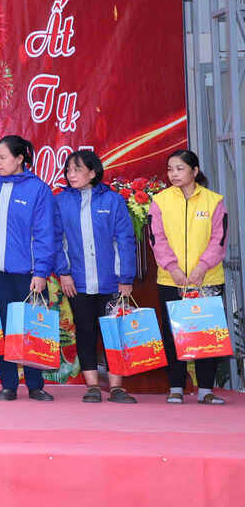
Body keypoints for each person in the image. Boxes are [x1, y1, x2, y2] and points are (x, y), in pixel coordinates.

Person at [53, 149, 137, 404]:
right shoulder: (61, 201)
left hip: (110, 280)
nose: (71, 174)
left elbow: (124, 240)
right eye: (68, 170)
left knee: (113, 331)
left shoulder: (112, 201)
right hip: (76, 281)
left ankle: (116, 387)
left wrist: (126, 278)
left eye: (77, 169)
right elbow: (58, 240)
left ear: (92, 172)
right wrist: (64, 273)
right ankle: (91, 385)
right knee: (85, 330)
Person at [149, 149, 229, 405]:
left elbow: (220, 238)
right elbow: (156, 239)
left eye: (180, 168)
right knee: (174, 334)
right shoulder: (160, 201)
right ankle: (176, 387)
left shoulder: (213, 201)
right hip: (172, 280)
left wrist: (202, 267)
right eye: (170, 169)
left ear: (195, 171)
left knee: (206, 333)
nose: (173, 174)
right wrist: (173, 268)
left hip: (207, 279)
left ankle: (206, 390)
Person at [0, 135, 56, 402]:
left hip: (28, 274)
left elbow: (47, 233)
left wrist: (41, 272)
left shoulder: (39, 190)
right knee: (1, 328)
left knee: (30, 328)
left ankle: (36, 385)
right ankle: (8, 384)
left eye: (2, 157)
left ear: (20, 158)